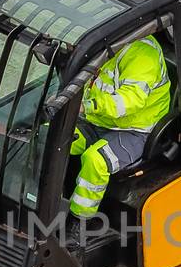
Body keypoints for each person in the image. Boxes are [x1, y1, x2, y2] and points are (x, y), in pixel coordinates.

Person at [68, 35, 172, 219]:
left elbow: (128, 102)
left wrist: (88, 106)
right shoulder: (105, 42)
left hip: (134, 131)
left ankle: (79, 221)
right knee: (49, 138)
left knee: (96, 160)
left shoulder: (143, 56)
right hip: (99, 120)